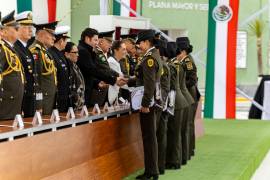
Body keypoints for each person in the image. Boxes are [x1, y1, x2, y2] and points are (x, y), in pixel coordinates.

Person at [135, 29, 162, 180]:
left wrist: (145, 104)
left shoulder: (149, 58)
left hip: (150, 104)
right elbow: (143, 79)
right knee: (151, 137)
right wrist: (128, 80)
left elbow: (149, 84)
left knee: (149, 137)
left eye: (140, 42)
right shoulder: (153, 56)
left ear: (147, 42)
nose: (139, 45)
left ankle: (151, 172)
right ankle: (152, 170)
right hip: (155, 102)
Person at [77, 28, 126, 107]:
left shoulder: (88, 51)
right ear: (87, 39)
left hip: (88, 88)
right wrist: (113, 80)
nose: (97, 43)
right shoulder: (83, 51)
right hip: (84, 91)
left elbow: (89, 72)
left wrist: (97, 82)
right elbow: (93, 70)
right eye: (95, 40)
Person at [176, 37, 200, 158]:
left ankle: (189, 150)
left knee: (188, 124)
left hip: (190, 95)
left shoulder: (188, 62)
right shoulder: (185, 61)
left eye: (178, 51)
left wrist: (180, 86)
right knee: (188, 124)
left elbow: (192, 79)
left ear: (183, 51)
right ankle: (189, 149)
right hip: (189, 95)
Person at [29, 21, 58, 115]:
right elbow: (36, 81)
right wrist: (38, 104)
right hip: (43, 102)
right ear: (41, 33)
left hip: (49, 100)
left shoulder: (45, 52)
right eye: (51, 34)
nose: (54, 38)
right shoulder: (36, 51)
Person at [0, 10, 24, 120]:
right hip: (5, 106)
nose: (18, 31)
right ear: (3, 32)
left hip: (14, 105)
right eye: (15, 29)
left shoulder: (12, 49)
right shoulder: (2, 49)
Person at [14, 11, 35, 117]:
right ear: (18, 28)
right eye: (27, 26)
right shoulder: (15, 49)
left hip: (29, 98)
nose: (30, 30)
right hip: (22, 99)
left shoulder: (26, 49)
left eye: (31, 26)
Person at [154, 38, 171, 175]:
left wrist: (161, 103)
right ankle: (159, 166)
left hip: (160, 104)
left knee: (160, 136)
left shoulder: (162, 65)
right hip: (162, 104)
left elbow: (164, 87)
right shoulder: (162, 63)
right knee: (160, 136)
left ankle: (159, 166)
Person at [90, 30, 119, 106]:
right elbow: (106, 70)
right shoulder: (96, 53)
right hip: (96, 91)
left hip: (101, 90)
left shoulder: (100, 53)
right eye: (109, 42)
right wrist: (118, 76)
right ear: (101, 41)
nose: (110, 45)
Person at [49, 25, 70, 112]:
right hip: (57, 97)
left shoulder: (60, 53)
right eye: (66, 41)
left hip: (64, 96)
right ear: (61, 41)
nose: (66, 43)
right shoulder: (52, 54)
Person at [64, 42, 85, 111]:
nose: (78, 55)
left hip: (78, 105)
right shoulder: (67, 68)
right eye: (75, 52)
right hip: (71, 106)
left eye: (77, 52)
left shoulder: (75, 66)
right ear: (67, 54)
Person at [107, 40, 127, 104]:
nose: (126, 52)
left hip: (116, 95)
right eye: (123, 49)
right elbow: (119, 82)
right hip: (112, 97)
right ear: (115, 50)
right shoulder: (111, 62)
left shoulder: (117, 62)